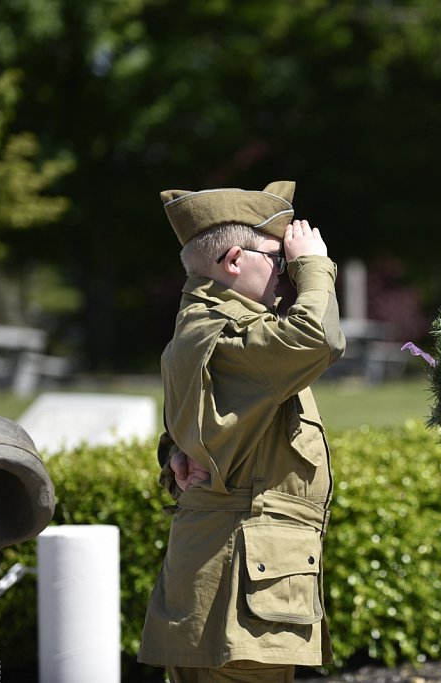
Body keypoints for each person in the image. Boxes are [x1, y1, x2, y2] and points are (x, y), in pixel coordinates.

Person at [138, 180, 346, 683]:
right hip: (238, 594)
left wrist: (178, 451)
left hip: (232, 582)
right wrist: (314, 265)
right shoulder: (228, 333)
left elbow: (204, 418)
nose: (284, 272)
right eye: (277, 259)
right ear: (235, 260)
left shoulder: (204, 328)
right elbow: (316, 338)